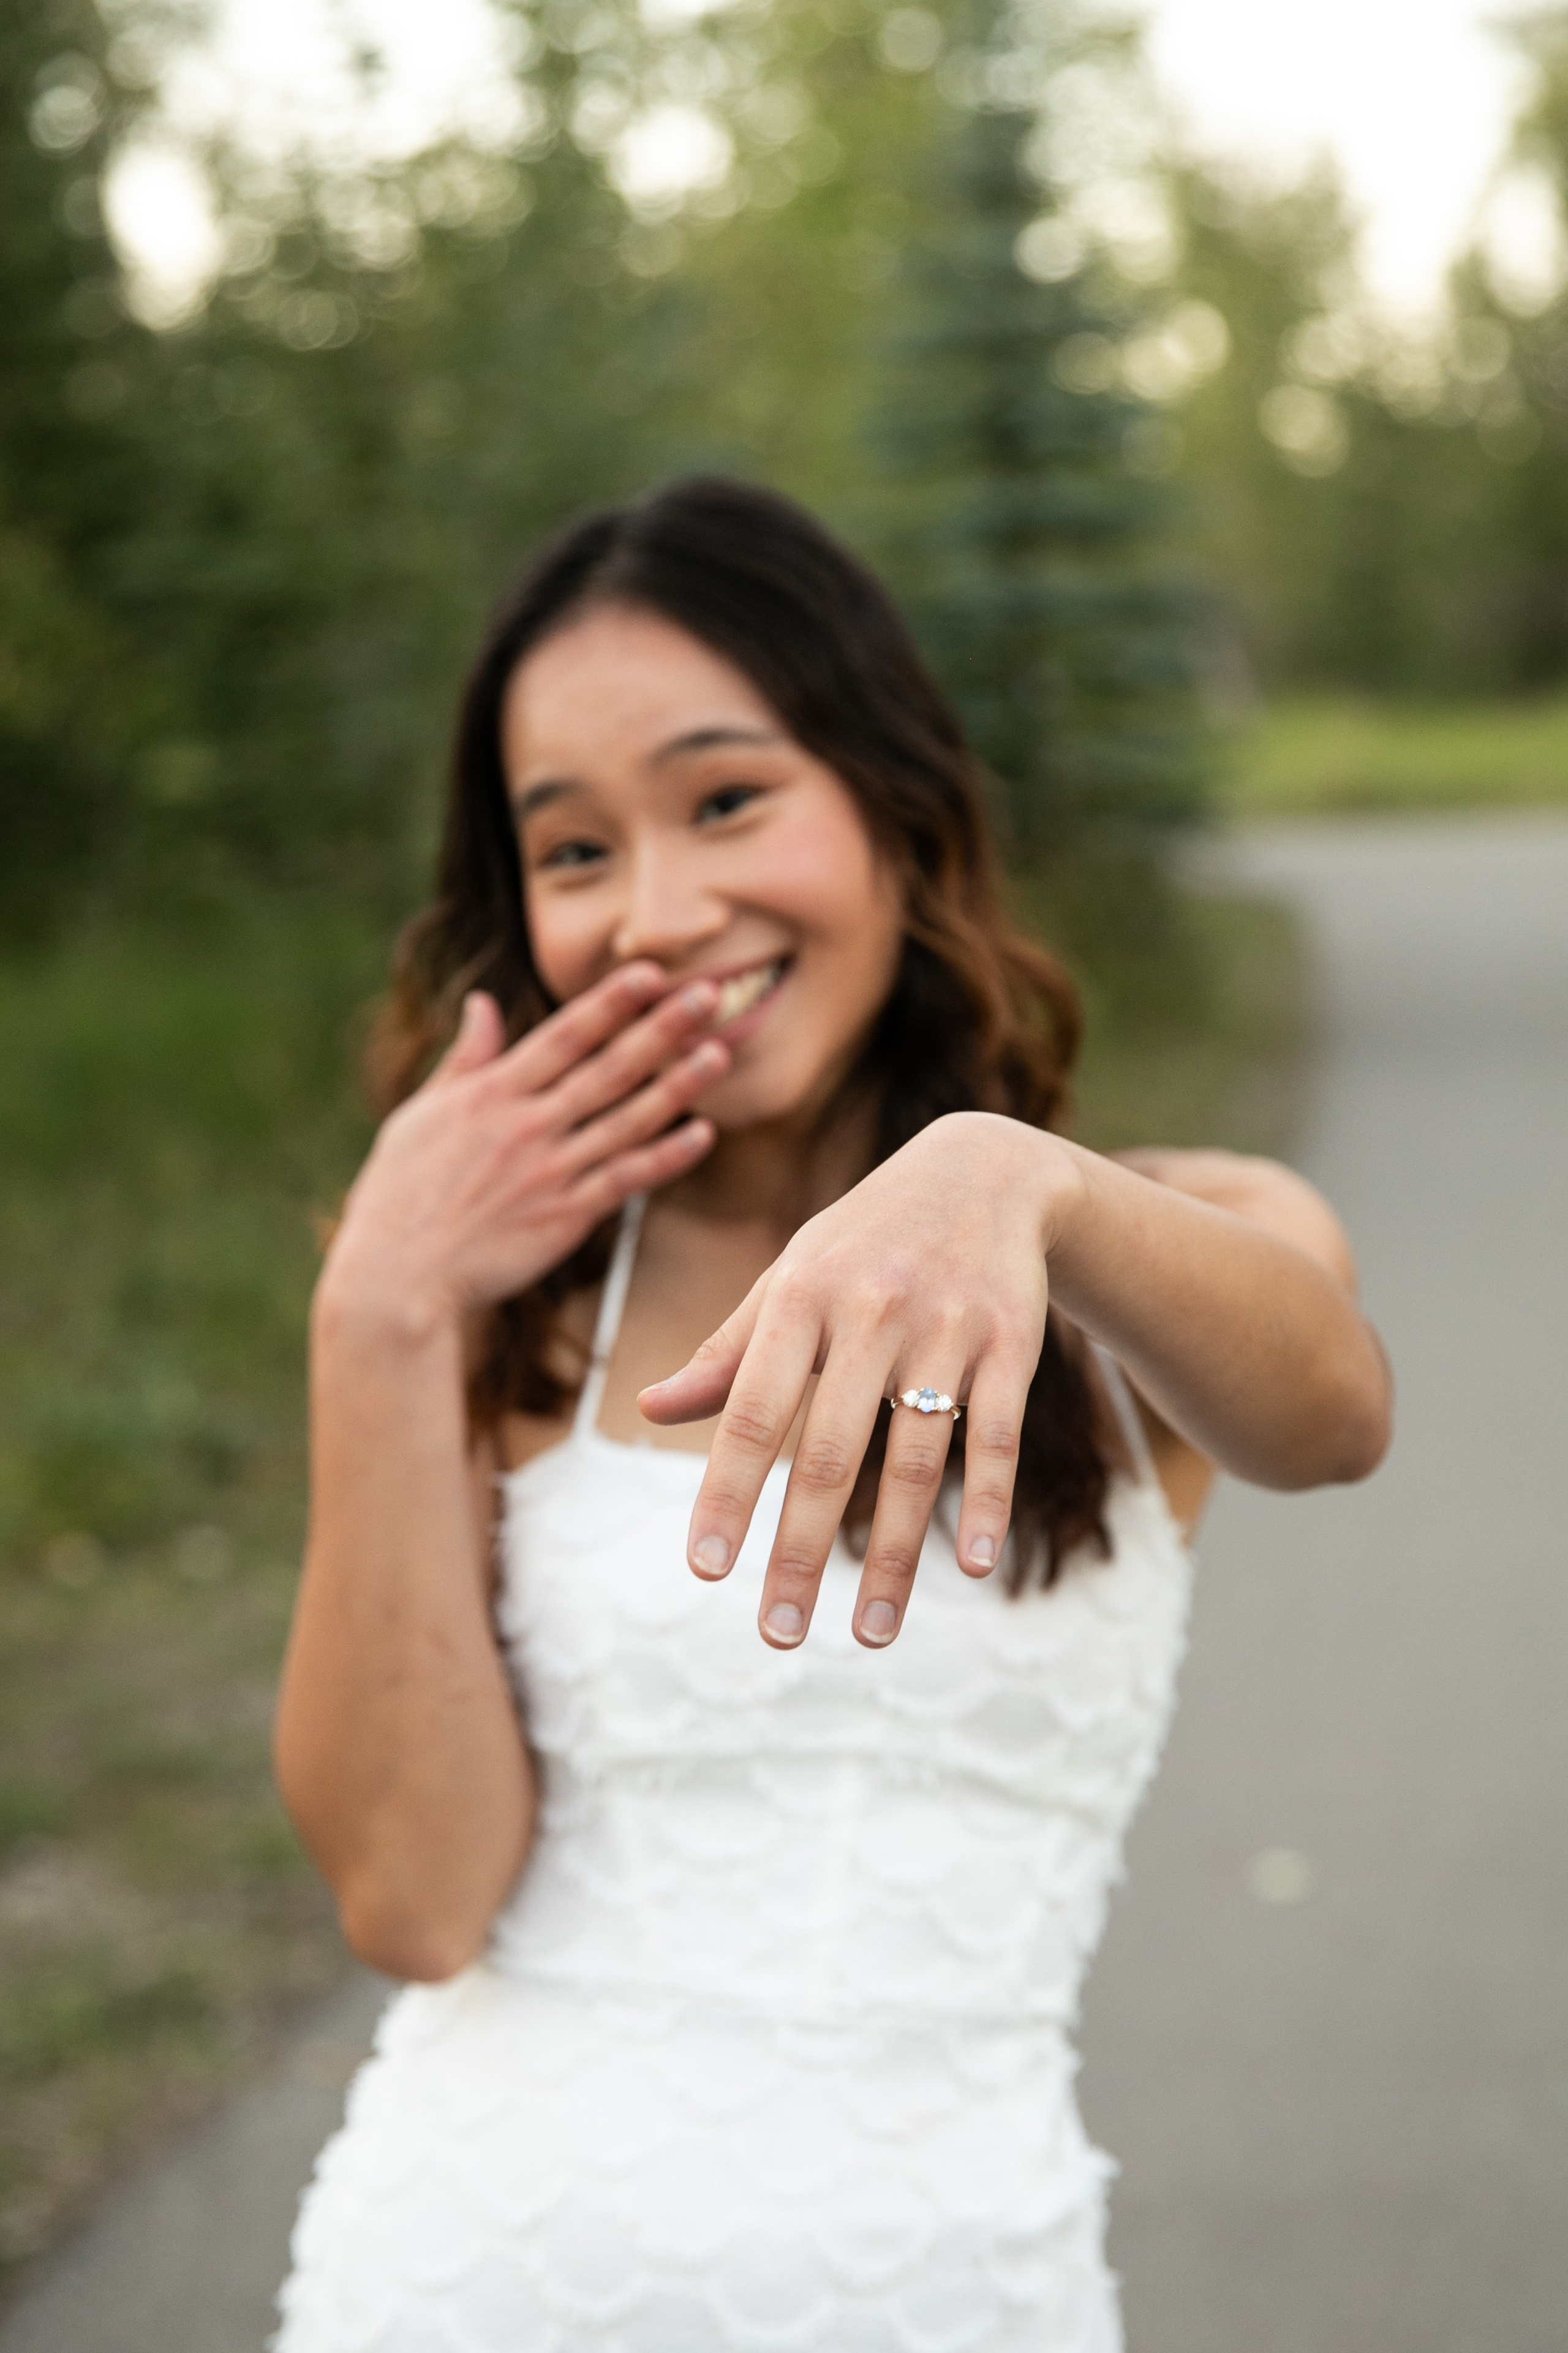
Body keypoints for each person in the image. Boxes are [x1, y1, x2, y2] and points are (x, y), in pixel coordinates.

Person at [271, 477, 1390, 2352]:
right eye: (574, 849)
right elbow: (416, 1899)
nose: (659, 912)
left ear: (893, 804)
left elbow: (1331, 1417)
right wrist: (375, 1315)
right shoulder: (502, 1306)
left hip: (951, 2297)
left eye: (726, 800)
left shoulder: (1137, 1240)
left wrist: (1015, 1175)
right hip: (462, 2285)